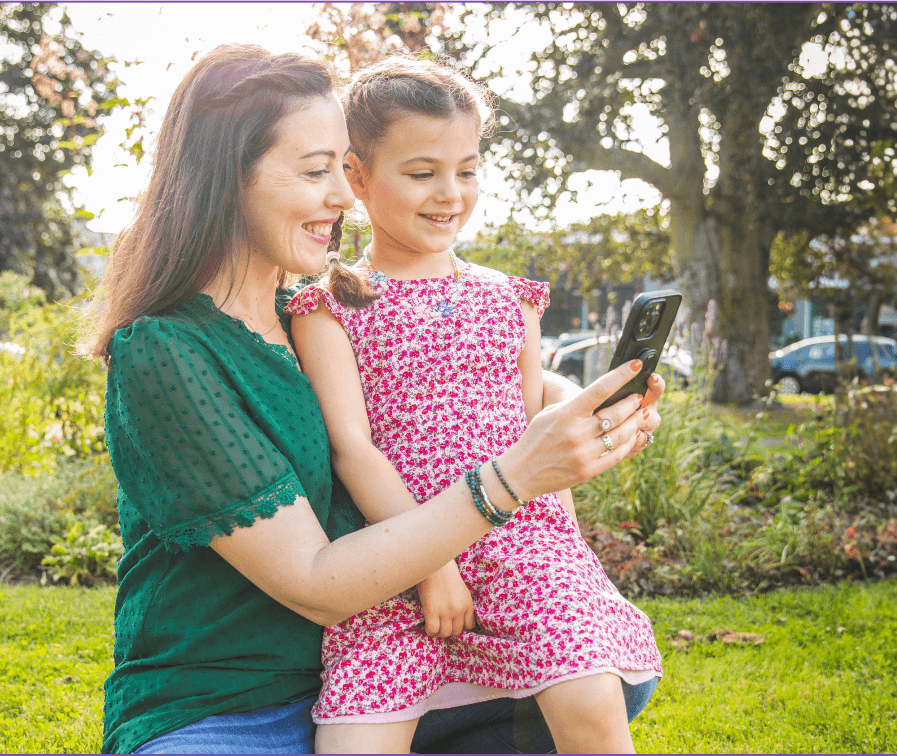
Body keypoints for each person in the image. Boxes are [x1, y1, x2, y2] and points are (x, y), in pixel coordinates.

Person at [83, 44, 664, 754]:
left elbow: (449, 375)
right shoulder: (169, 351)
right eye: (317, 170)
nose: (343, 196)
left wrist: (574, 401)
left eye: (341, 166)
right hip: (230, 703)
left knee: (589, 679)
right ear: (228, 177)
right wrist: (514, 479)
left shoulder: (303, 307)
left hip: (402, 661)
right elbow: (316, 581)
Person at [287, 55, 661, 755]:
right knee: (354, 743)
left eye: (467, 169)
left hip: (523, 547)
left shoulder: (511, 298)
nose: (450, 193)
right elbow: (353, 447)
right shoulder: (329, 305)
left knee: (590, 699)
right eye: (423, 172)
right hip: (399, 555)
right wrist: (432, 567)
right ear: (357, 176)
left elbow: (531, 434)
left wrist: (572, 537)